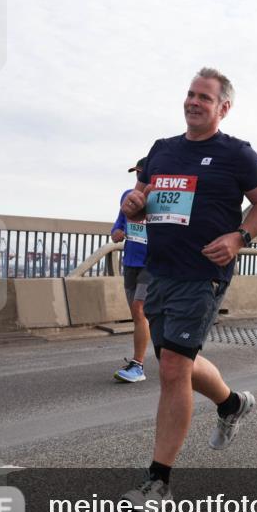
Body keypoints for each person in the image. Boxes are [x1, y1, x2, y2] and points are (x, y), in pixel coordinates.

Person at [119, 67, 257, 508]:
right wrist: (133, 204)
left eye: (204, 98)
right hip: (159, 271)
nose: (194, 102)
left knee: (172, 367)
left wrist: (240, 237)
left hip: (202, 274)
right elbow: (140, 198)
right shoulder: (162, 150)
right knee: (179, 363)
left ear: (222, 108)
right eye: (190, 94)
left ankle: (158, 482)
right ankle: (230, 404)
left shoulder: (237, 154)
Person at [111, 157, 151, 383]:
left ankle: (137, 365)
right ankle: (166, 348)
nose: (138, 178)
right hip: (130, 263)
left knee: (139, 310)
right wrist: (116, 233)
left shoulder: (160, 202)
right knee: (140, 316)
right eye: (136, 174)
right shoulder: (128, 196)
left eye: (142, 173)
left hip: (151, 264)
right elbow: (118, 224)